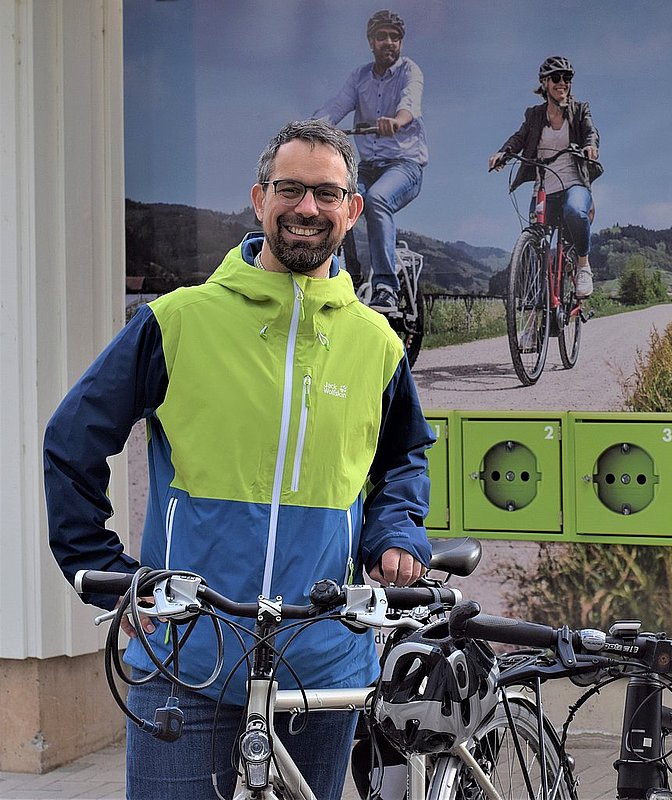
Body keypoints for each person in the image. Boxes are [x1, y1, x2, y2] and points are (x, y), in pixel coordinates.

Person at [44, 119, 434, 800]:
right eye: (289, 189)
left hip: (322, 661)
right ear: (259, 201)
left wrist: (395, 532)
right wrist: (102, 571)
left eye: (324, 193)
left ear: (352, 209)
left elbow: (402, 461)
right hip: (187, 656)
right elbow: (71, 440)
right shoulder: (177, 320)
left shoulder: (377, 344)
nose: (306, 207)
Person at [314, 9, 427, 313]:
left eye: (394, 37)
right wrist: (310, 129)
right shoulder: (359, 77)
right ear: (371, 42)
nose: (388, 42)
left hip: (405, 165)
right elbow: (336, 106)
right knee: (337, 200)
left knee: (376, 200)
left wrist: (397, 121)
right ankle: (346, 277)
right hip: (368, 167)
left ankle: (387, 287)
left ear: (400, 42)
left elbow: (410, 104)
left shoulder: (409, 71)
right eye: (381, 37)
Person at [489, 55, 601, 298]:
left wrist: (590, 146)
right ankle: (534, 310)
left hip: (574, 184)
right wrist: (503, 153)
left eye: (567, 78)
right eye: (556, 78)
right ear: (544, 83)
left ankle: (583, 265)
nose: (563, 83)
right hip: (543, 188)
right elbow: (519, 138)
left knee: (574, 211)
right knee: (534, 245)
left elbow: (591, 132)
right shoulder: (534, 115)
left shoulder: (580, 110)